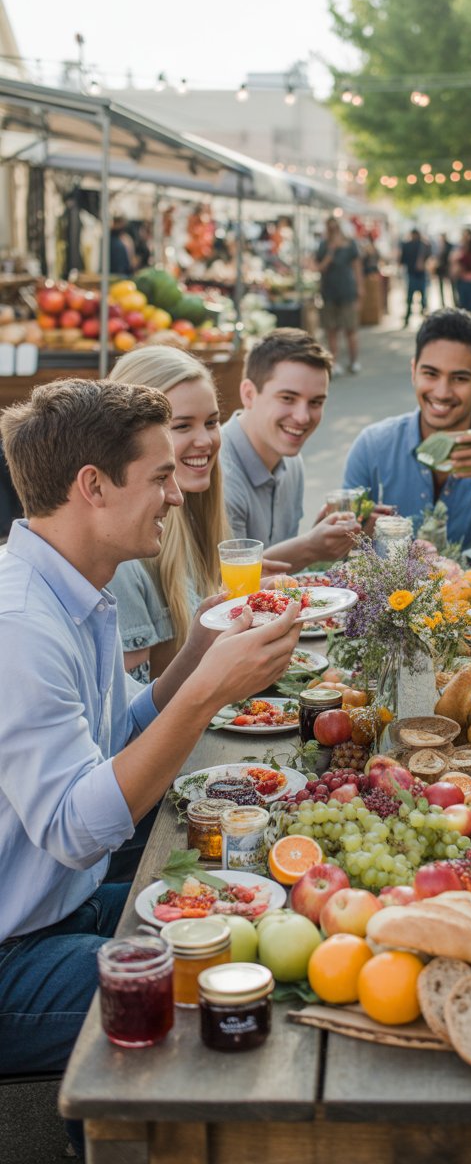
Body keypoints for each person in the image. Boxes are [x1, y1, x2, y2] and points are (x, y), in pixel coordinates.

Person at [0, 378, 300, 1121]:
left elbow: (109, 748)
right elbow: (79, 828)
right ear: (92, 486)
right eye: (160, 476)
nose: (177, 495)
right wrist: (204, 694)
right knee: (239, 985)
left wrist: (196, 653)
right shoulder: (22, 626)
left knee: (258, 893)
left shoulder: (74, 587)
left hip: (53, 909)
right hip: (13, 954)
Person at [342, 308, 471, 548]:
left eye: (459, 378)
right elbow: (341, 552)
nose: (442, 392)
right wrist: (353, 535)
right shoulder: (372, 447)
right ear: (414, 372)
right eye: (430, 374)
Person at [107, 347, 231, 682]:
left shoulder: (192, 513)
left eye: (211, 422)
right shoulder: (121, 556)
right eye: (181, 426)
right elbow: (132, 718)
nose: (205, 440)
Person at [220, 329, 360, 571]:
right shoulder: (219, 474)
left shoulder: (292, 461)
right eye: (287, 398)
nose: (303, 417)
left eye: (316, 402)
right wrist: (310, 548)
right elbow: (227, 587)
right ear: (249, 394)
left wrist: (322, 540)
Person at [315, 216, 363, 375]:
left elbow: (357, 267)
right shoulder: (323, 246)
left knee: (350, 329)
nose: (333, 230)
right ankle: (334, 362)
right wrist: (330, 252)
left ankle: (354, 361)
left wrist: (360, 288)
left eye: (335, 227)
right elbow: (319, 267)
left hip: (347, 291)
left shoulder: (350, 244)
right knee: (331, 330)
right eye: (330, 227)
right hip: (329, 292)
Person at [400, 228, 431, 327]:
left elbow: (402, 260)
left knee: (415, 298)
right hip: (416, 274)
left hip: (415, 274)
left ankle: (409, 319)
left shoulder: (410, 245)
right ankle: (421, 319)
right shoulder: (424, 245)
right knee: (420, 298)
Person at [433, 234, 453, 306]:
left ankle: (454, 301)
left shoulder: (449, 246)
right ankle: (442, 302)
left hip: (447, 268)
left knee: (451, 286)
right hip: (441, 269)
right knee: (441, 286)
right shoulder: (439, 246)